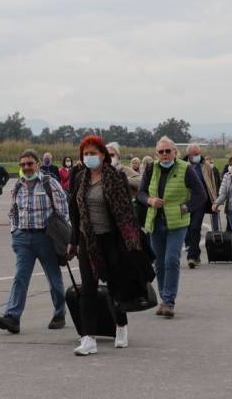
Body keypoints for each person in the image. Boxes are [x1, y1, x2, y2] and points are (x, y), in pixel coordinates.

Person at [68, 136, 144, 355]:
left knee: (114, 286)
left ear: (103, 155)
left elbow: (125, 213)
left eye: (93, 153)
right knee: (88, 289)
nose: (89, 157)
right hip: (87, 239)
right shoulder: (80, 177)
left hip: (110, 239)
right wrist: (73, 241)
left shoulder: (115, 177)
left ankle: (121, 326)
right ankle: (88, 338)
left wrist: (132, 243)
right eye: (86, 153)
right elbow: (75, 211)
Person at [0, 150, 69, 335]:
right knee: (20, 277)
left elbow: (63, 213)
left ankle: (59, 313)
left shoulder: (49, 183)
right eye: (23, 164)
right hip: (24, 239)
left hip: (46, 238)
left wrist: (63, 239)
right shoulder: (17, 186)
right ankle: (12, 317)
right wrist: (15, 231)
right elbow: (13, 212)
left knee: (54, 279)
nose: (26, 167)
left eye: (30, 164)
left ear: (37, 164)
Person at [138, 137, 207, 317]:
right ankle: (164, 298)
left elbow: (201, 195)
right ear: (156, 154)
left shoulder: (186, 169)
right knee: (159, 263)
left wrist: (186, 207)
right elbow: (141, 193)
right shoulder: (151, 168)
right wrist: (150, 200)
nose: (164, 155)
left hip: (177, 223)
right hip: (156, 221)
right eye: (161, 152)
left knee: (171, 260)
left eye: (168, 151)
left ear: (175, 152)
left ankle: (169, 301)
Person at [183, 144, 220, 268]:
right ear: (188, 155)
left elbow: (212, 184)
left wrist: (215, 200)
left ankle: (192, 256)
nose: (198, 156)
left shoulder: (206, 166)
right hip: (185, 202)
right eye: (195, 154)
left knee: (194, 227)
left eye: (199, 154)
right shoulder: (181, 165)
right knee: (186, 229)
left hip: (200, 201)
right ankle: (195, 252)